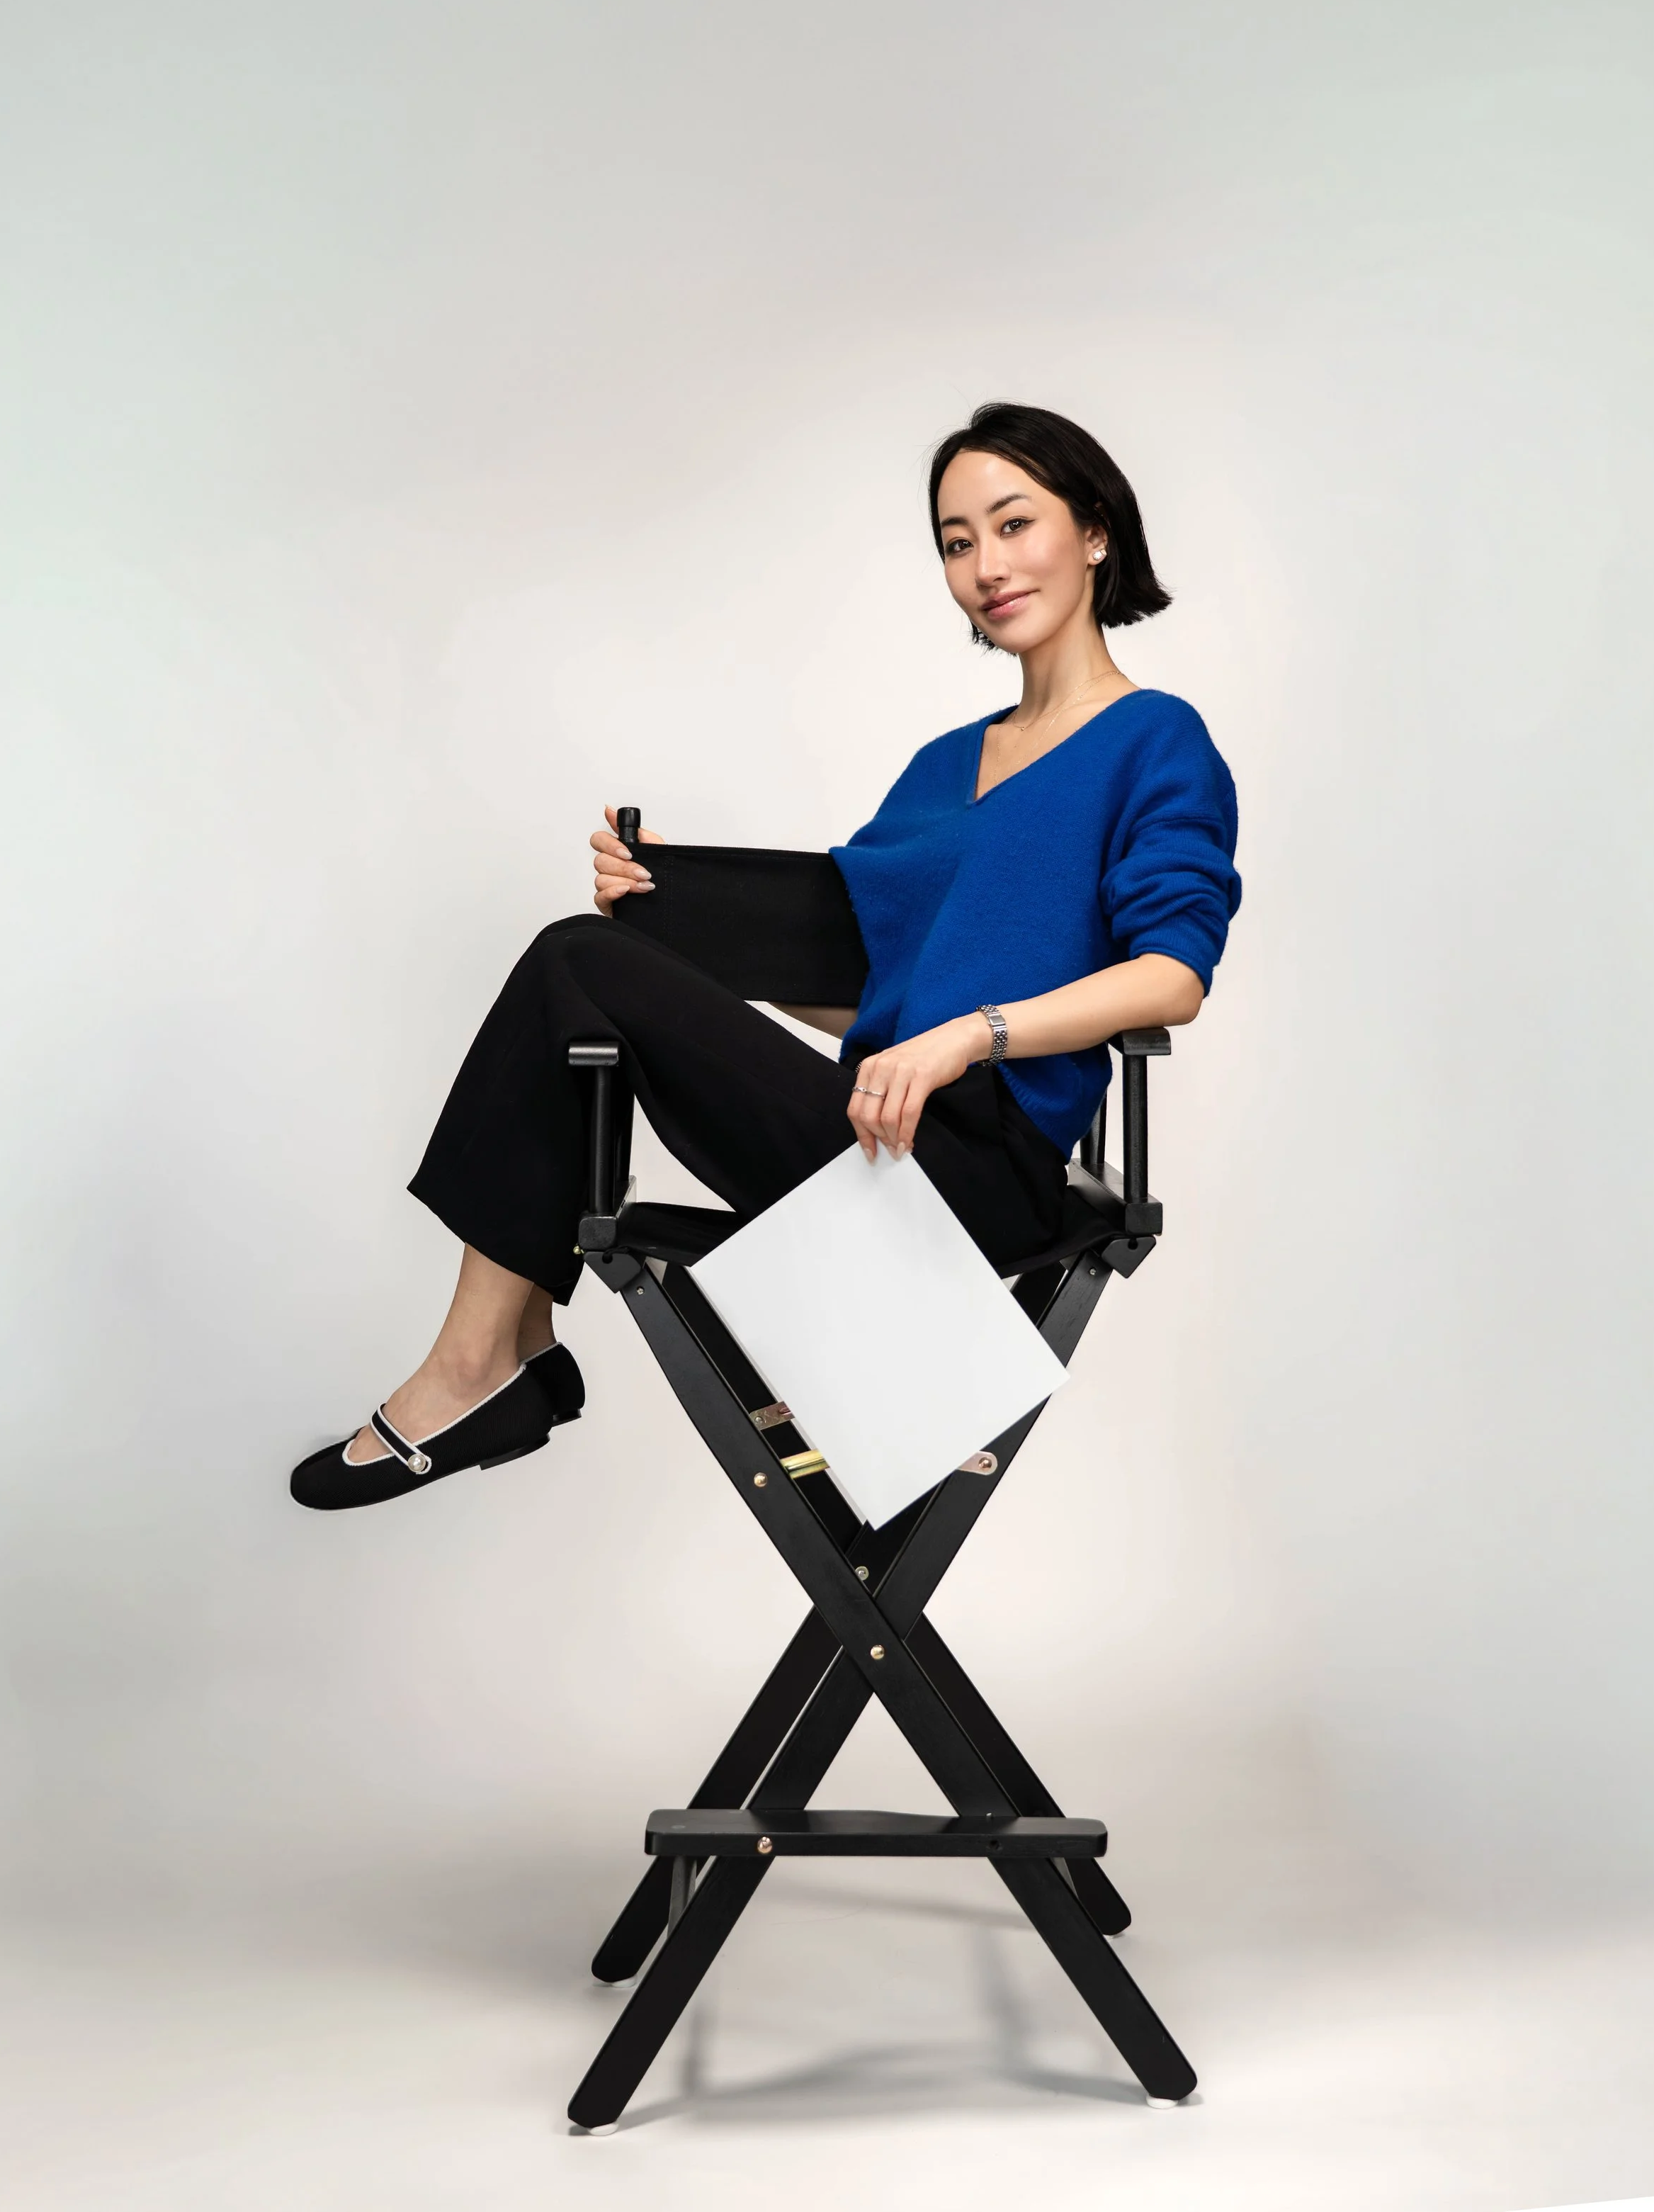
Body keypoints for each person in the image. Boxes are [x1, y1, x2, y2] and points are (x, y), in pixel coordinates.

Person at [290, 403, 1241, 1510]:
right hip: (874, 1127)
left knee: (575, 960)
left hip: (980, 1175)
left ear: (1094, 533)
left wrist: (965, 1040)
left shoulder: (1156, 738)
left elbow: (1173, 976)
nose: (986, 564)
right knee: (591, 960)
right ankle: (504, 1354)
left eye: (1014, 524)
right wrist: (667, 917)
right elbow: (863, 994)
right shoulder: (946, 764)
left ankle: (483, 1367)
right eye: (956, 540)